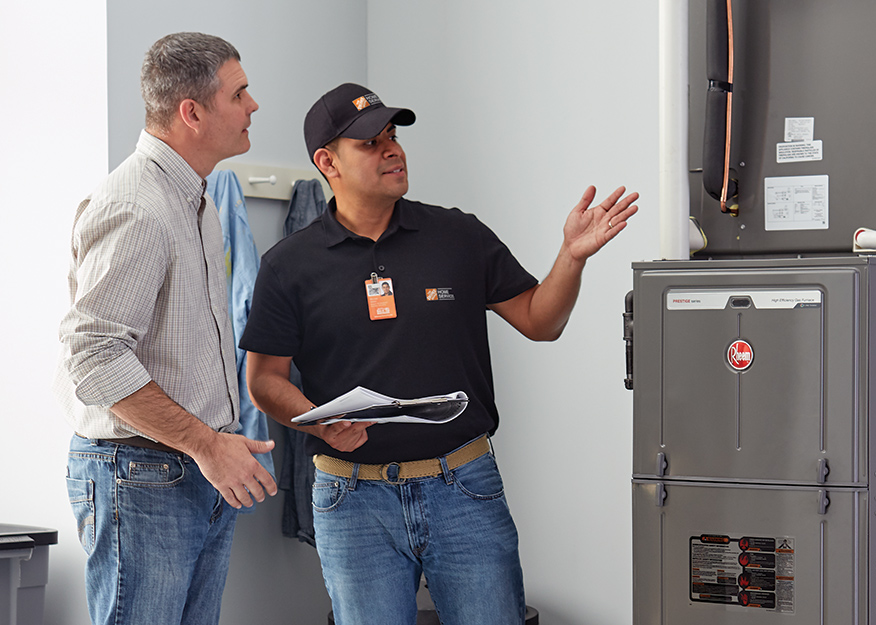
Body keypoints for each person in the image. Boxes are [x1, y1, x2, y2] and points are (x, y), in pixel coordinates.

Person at [241, 83, 638, 625]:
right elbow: (263, 379)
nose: (392, 150)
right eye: (369, 143)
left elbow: (540, 321)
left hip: (463, 488)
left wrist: (571, 258)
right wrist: (319, 424)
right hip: (351, 499)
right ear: (326, 162)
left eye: (393, 136)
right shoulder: (289, 264)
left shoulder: (458, 235)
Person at [54, 32, 276, 625]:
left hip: (186, 471)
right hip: (143, 476)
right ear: (192, 112)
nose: (254, 105)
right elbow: (95, 357)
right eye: (240, 93)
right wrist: (208, 446)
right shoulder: (136, 205)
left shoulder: (195, 200)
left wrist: (215, 447)